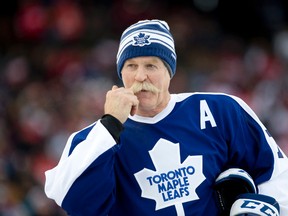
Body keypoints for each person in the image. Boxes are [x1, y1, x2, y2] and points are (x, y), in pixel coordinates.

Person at [44, 19, 288, 215]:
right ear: (121, 73)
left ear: (169, 72)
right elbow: (76, 202)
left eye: (151, 65)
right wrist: (109, 126)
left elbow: (277, 174)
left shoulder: (221, 111)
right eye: (131, 66)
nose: (140, 76)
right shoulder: (94, 139)